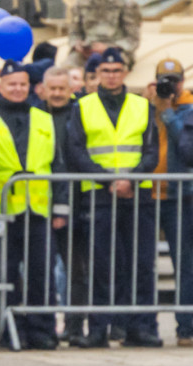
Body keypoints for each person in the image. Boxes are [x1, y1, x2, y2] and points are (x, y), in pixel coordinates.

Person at [66, 47, 161, 347]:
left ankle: (141, 328)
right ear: (96, 75)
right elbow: (76, 151)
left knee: (142, 264)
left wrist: (130, 180)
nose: (111, 76)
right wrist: (109, 180)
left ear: (125, 72)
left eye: (117, 70)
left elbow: (151, 152)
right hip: (100, 195)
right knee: (101, 265)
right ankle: (98, 330)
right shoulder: (82, 106)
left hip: (137, 196)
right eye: (106, 71)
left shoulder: (142, 106)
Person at [0, 61, 59, 350]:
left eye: (22, 84)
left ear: (31, 87)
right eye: (11, 83)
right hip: (0, 210)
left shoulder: (43, 117)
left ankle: (42, 330)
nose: (17, 89)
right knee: (4, 275)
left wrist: (60, 208)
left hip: (37, 210)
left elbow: (56, 163)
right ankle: (7, 330)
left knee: (42, 273)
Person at [42, 66, 92, 348]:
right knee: (40, 271)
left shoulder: (81, 113)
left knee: (77, 271)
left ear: (71, 89)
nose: (58, 93)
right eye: (53, 89)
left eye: (63, 88)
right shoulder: (35, 114)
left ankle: (74, 327)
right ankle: (45, 327)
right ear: (44, 89)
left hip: (77, 203)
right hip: (38, 204)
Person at [152, 58, 193, 347]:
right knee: (138, 264)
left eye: (174, 80)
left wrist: (169, 113)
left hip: (179, 196)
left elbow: (187, 148)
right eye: (163, 80)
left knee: (185, 264)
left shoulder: (188, 110)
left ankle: (186, 327)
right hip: (146, 194)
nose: (170, 86)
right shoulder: (143, 107)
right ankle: (137, 327)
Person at [67, 0, 142, 68]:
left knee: (109, 70)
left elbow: (133, 40)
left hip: (117, 51)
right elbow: (74, 33)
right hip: (87, 52)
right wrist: (77, 44)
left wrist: (108, 48)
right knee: (67, 70)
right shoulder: (80, 4)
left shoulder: (127, 5)